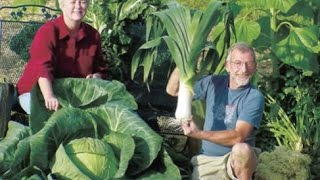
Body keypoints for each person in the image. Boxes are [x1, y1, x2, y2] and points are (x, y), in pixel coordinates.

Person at [166, 42, 264, 180]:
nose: (243, 69)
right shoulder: (213, 83)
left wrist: (198, 134)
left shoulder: (254, 96)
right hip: (208, 161)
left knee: (242, 149)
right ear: (227, 66)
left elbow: (238, 137)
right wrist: (185, 61)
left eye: (249, 63)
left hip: (236, 161)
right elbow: (173, 90)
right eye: (238, 63)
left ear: (255, 67)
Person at [16, 0, 107, 114]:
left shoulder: (93, 35)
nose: (78, 6)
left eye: (83, 2)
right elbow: (42, 68)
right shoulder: (48, 31)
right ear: (62, 5)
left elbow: (100, 69)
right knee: (48, 119)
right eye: (73, 2)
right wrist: (49, 96)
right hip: (36, 93)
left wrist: (96, 77)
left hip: (74, 97)